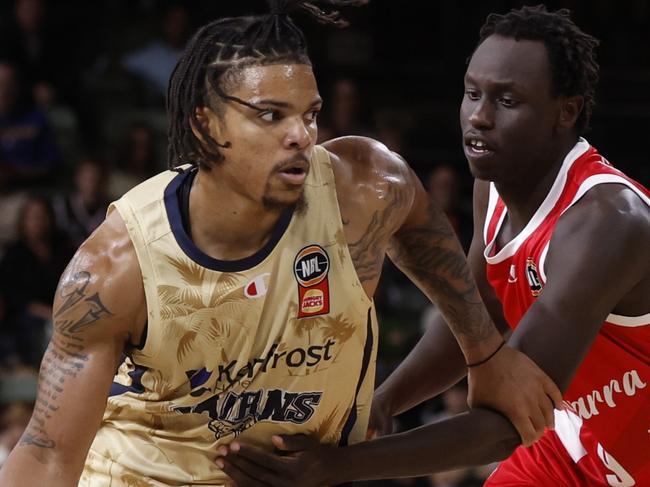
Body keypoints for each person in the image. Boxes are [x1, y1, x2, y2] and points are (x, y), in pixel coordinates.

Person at [0, 2, 561, 486]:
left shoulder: (361, 189)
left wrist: (482, 352)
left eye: (309, 114)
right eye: (271, 115)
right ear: (203, 124)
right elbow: (47, 456)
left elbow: (419, 228)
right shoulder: (115, 268)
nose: (301, 135)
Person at [215, 5, 650, 486]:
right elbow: (477, 318)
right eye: (472, 93)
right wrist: (382, 401)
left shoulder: (608, 224)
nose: (479, 117)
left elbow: (509, 419)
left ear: (564, 111)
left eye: (507, 101)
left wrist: (335, 466)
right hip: (569, 445)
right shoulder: (497, 183)